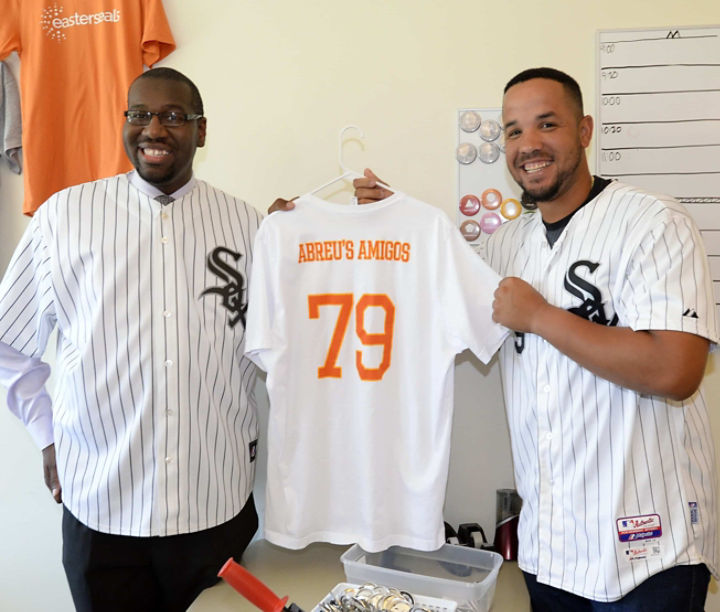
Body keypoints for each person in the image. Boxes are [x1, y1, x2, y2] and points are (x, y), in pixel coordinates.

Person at [353, 67, 718, 611]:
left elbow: (676, 370)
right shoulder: (508, 246)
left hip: (649, 553)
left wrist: (542, 315)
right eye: (515, 131)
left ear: (585, 129)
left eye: (547, 124)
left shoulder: (653, 221)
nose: (529, 145)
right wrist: (386, 220)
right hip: (548, 551)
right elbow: (433, 292)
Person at [0, 67, 263, 612]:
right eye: (139, 114)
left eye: (172, 116)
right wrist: (47, 435)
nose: (154, 129)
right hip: (102, 510)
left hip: (214, 506)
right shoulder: (63, 218)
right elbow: (9, 343)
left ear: (202, 130)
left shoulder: (248, 227)